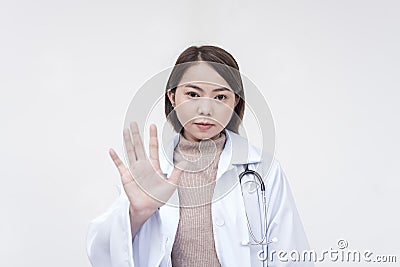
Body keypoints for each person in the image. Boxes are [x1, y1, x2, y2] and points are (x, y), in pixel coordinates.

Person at [86, 45, 313, 267]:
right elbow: (101, 254)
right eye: (193, 94)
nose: (205, 109)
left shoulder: (263, 169)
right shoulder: (149, 171)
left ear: (236, 102)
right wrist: (137, 214)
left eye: (220, 97)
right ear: (173, 97)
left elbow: (290, 253)